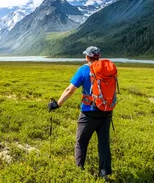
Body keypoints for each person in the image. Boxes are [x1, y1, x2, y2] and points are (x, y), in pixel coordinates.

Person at [48, 46, 113, 179]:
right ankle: (104, 174)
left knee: (81, 142)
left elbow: (70, 90)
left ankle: (78, 171)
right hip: (106, 112)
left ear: (87, 57)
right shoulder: (108, 69)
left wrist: (57, 104)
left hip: (88, 113)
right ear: (98, 57)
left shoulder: (84, 69)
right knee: (104, 144)